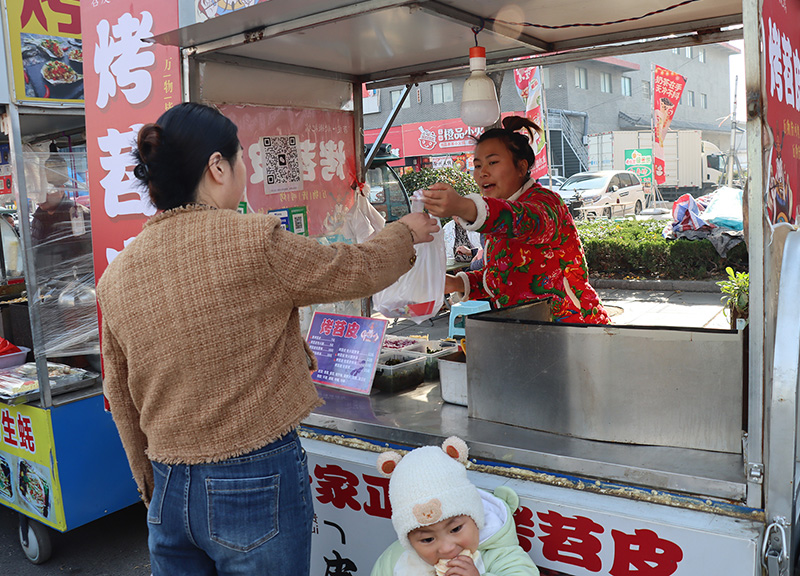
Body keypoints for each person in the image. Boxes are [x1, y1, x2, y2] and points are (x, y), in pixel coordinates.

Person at [96, 102, 439, 576]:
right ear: (218, 166)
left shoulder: (117, 275)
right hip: (253, 475)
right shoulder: (251, 241)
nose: (245, 173)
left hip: (168, 483)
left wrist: (150, 484)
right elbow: (354, 268)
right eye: (241, 161)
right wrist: (405, 231)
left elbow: (118, 389)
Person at [422, 116, 609, 324]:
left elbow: (524, 221)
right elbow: (499, 279)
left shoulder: (546, 203)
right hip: (524, 330)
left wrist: (463, 206)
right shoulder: (496, 215)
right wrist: (454, 283)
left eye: (492, 162)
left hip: (572, 327)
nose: (482, 172)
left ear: (521, 167)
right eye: (477, 165)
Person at [371, 437, 539, 576]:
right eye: (428, 539)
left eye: (456, 529)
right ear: (409, 540)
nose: (447, 548)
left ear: (475, 516)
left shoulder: (500, 555)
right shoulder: (396, 560)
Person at [30, 153, 92, 284]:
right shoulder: (37, 219)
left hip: (76, 284)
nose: (40, 197)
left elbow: (88, 255)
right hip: (45, 284)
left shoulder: (78, 214)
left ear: (61, 190)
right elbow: (34, 255)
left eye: (46, 192)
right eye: (38, 193)